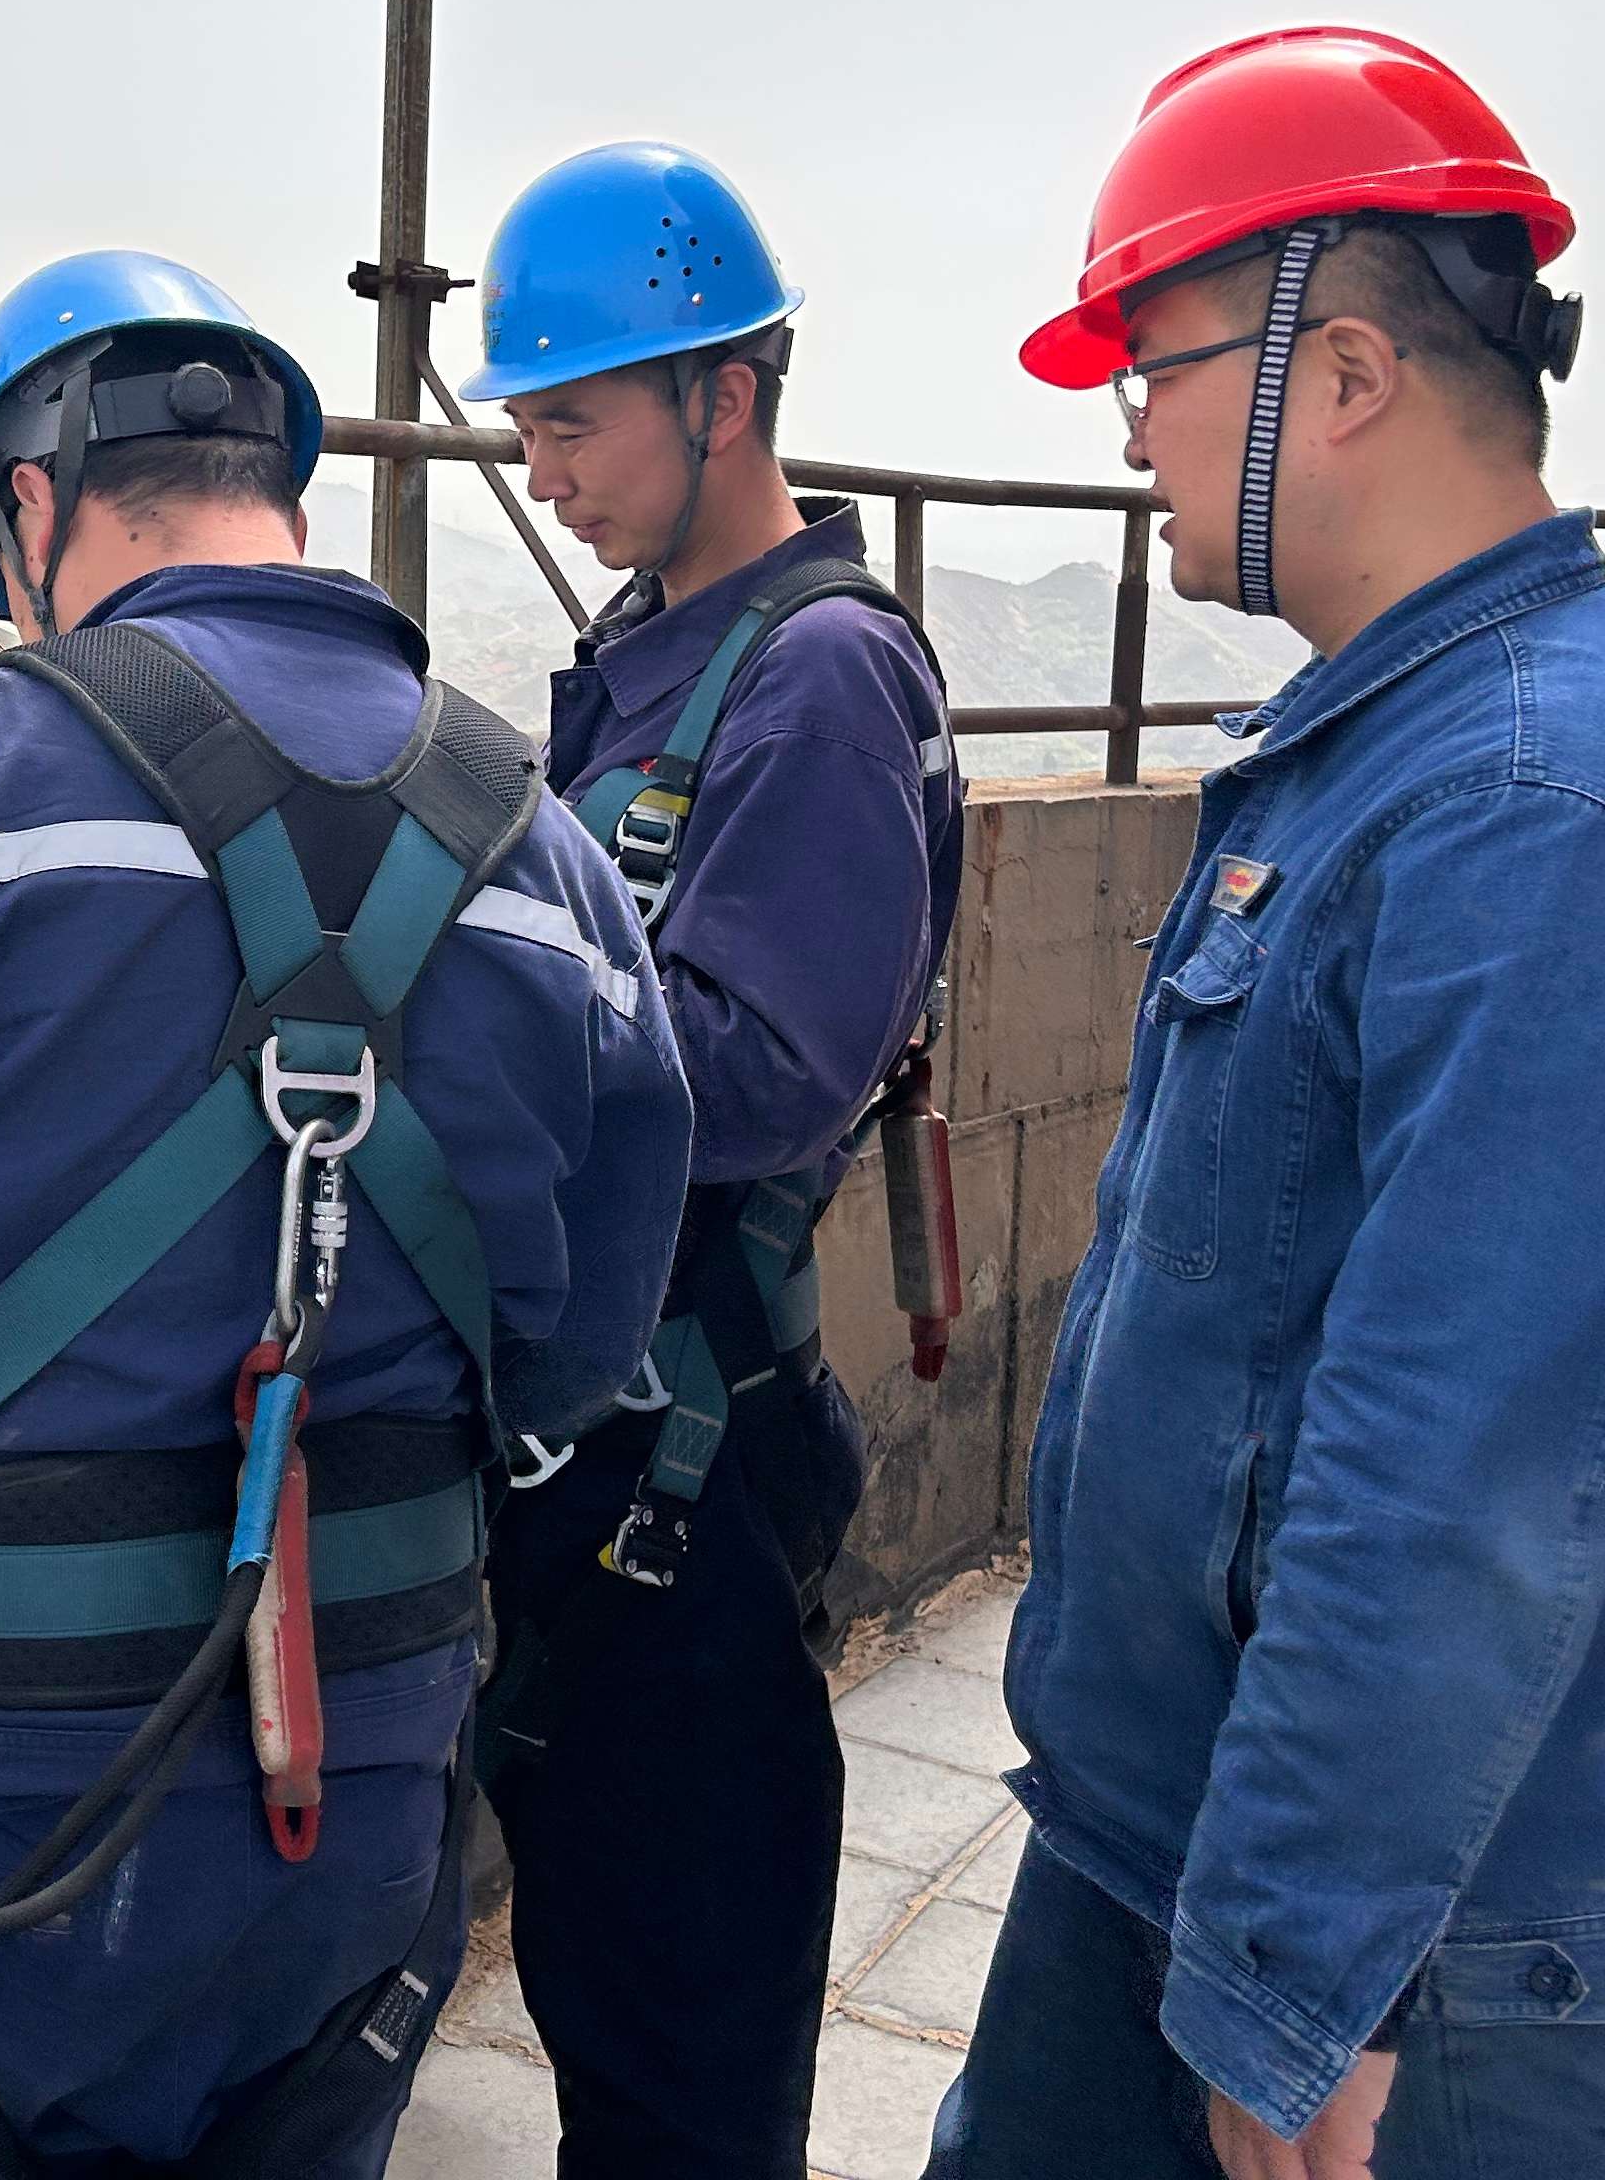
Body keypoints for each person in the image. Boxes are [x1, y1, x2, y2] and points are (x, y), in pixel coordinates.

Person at [0, 249, 696, 2178]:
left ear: (28, 501)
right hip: (368, 1750)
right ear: (278, 491)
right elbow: (584, 1336)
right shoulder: (544, 847)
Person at [935, 28, 1605, 2180]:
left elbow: (1466, 1461)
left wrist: (1294, 1972)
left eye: (1156, 365)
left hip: (1414, 1964)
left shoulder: (1545, 807)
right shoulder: (1410, 749)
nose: (1129, 427)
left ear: (1338, 376)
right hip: (1195, 1837)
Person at [450, 141, 965, 2180]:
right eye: (526, 429)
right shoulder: (661, 644)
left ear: (722, 397)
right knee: (612, 1963)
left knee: (682, 2034)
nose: (546, 472)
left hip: (689, 1453)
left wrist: (462, 1017)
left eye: (575, 422)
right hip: (606, 1435)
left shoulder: (818, 676)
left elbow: (761, 1076)